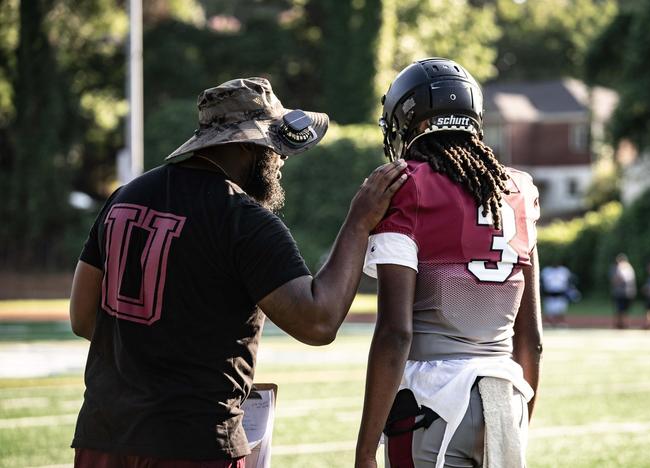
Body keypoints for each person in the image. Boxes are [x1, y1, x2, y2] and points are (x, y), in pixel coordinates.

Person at [69, 77, 407, 467]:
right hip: (193, 443)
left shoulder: (124, 196)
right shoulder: (243, 219)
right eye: (275, 148)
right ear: (250, 146)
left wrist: (155, 354)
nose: (279, 161)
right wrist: (359, 221)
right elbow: (318, 322)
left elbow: (82, 317)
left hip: (102, 436)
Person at [355, 58, 542, 468]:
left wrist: (365, 449)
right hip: (505, 395)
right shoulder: (518, 189)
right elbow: (532, 339)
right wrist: (516, 422)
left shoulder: (407, 185)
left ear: (406, 120)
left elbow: (395, 333)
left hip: (431, 401)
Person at [610, 253, 637, 329]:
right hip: (620, 293)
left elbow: (621, 280)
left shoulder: (628, 269)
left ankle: (624, 325)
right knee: (619, 309)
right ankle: (619, 325)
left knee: (624, 310)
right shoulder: (617, 268)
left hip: (627, 293)